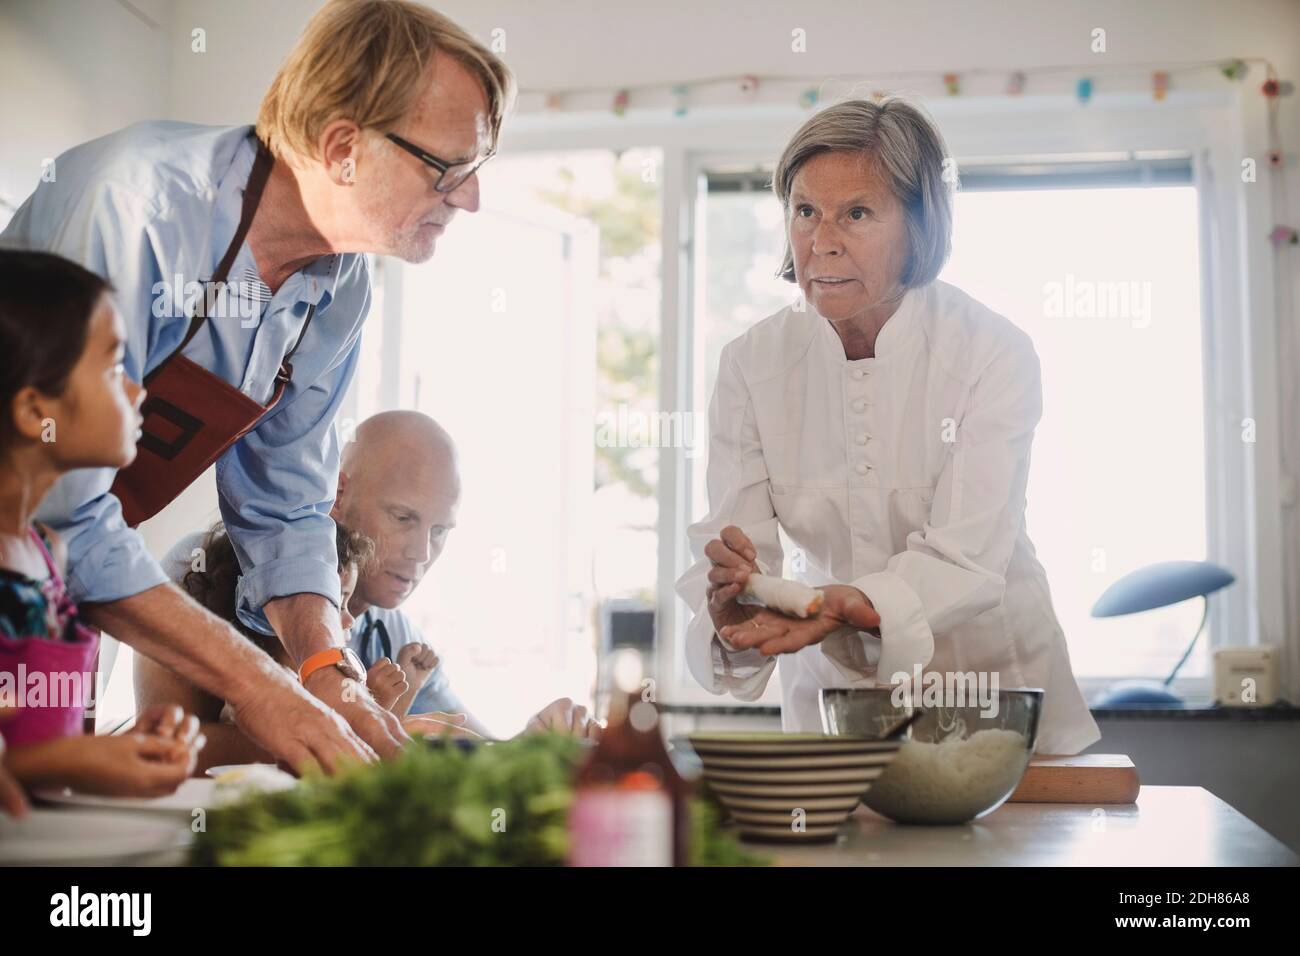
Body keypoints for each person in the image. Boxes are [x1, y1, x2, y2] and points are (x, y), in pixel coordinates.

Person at [0, 0, 514, 770]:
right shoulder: (142, 211)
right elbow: (69, 518)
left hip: (56, 598)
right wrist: (263, 689)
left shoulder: (340, 287)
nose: (470, 196)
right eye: (448, 168)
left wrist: (324, 675)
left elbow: (285, 511)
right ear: (343, 146)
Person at [675, 97, 1100, 755]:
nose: (822, 241)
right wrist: (737, 608)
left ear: (920, 226)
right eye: (805, 210)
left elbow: (966, 557)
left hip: (991, 702)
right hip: (831, 704)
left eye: (858, 213)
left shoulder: (991, 352)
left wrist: (844, 604)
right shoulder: (751, 364)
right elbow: (744, 558)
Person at [157, 411, 601, 741]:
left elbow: (472, 743)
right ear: (338, 493)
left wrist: (535, 743)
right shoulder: (205, 565)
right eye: (404, 518)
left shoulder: (395, 632)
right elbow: (162, 748)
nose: (422, 553)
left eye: (440, 530)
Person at [0, 250, 203, 800]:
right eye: (115, 369)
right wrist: (78, 758)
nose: (139, 390)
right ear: (33, 412)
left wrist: (119, 749)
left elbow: (31, 750)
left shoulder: (48, 555)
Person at [137, 520, 467, 774]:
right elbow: (303, 742)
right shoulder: (269, 683)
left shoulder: (316, 675)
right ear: (262, 610)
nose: (348, 619)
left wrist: (386, 703)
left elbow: (365, 732)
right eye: (336, 604)